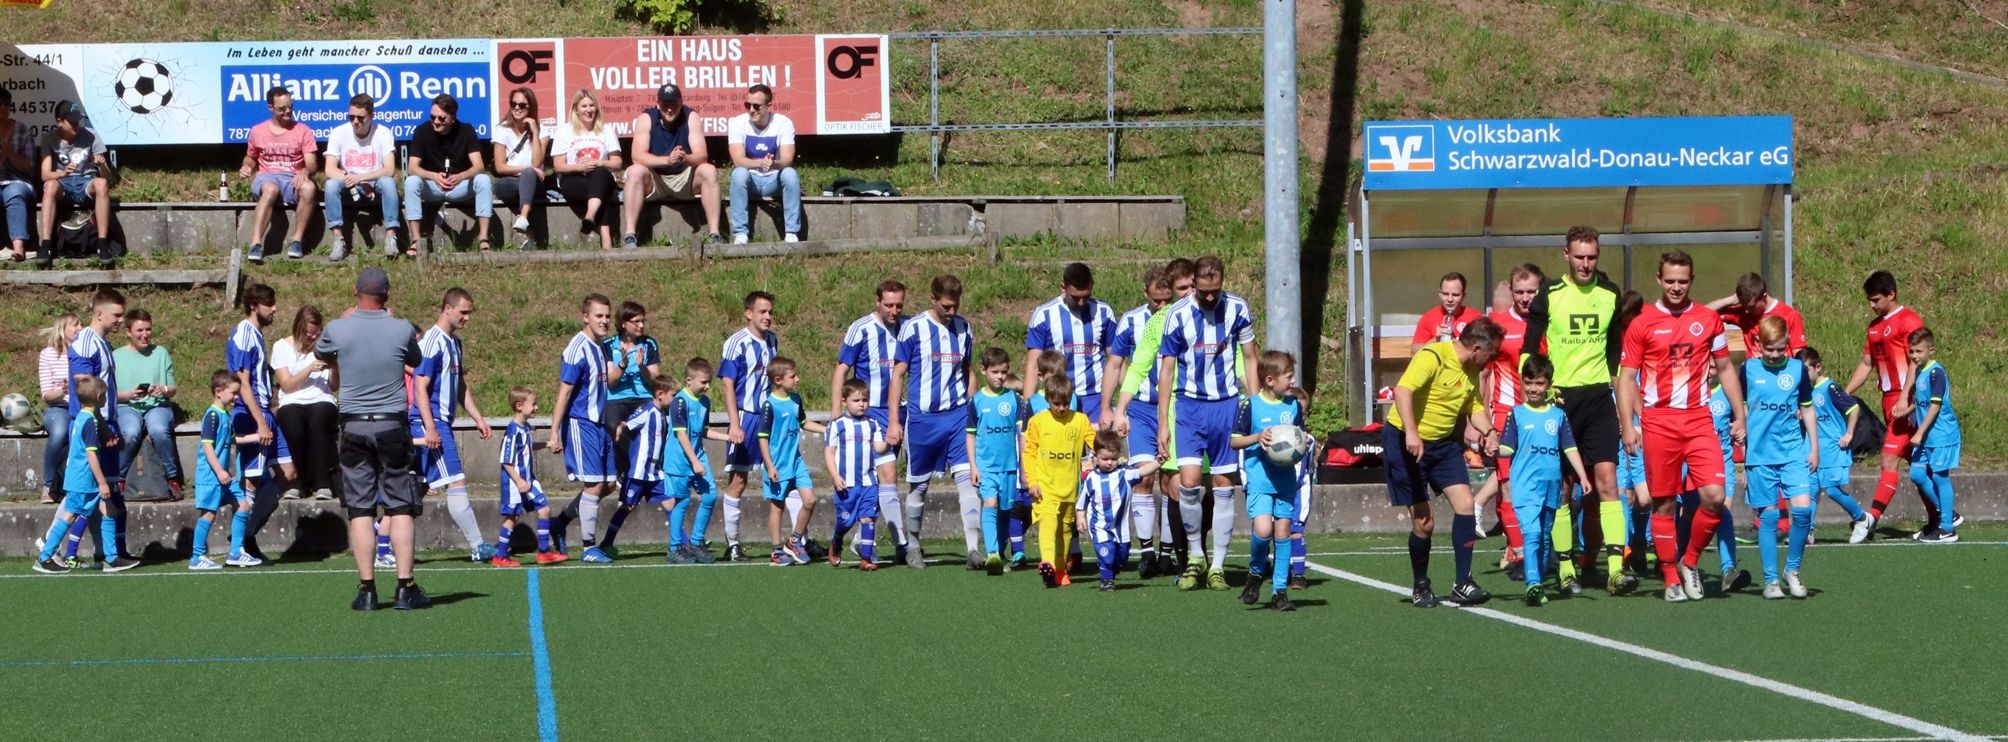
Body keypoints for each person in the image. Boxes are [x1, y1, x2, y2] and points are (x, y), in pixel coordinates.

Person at [1618, 251, 1746, 603]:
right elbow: (1626, 378)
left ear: (1692, 280)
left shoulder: (1708, 319)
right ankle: (1671, 577)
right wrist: (1629, 426)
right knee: (1662, 506)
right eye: (1670, 281)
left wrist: (1740, 415)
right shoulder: (1641, 323)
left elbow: (1725, 369)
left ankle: (1689, 562)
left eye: (1683, 281)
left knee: (1714, 497)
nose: (1677, 287)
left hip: (1699, 419)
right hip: (1658, 422)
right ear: (1659, 280)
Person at [1522, 225, 1633, 595]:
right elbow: (1529, 348)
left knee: (1607, 482)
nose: (1586, 263)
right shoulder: (1549, 294)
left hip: (1600, 398)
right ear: (1565, 255)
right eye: (1580, 256)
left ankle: (1616, 569)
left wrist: (1623, 405)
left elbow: (1616, 354)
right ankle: (1566, 567)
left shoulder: (1609, 294)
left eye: (1592, 256)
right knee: (1564, 488)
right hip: (1562, 400)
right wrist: (1539, 393)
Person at [314, 266, 427, 611]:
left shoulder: (338, 328)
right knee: (400, 506)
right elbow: (416, 359)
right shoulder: (402, 328)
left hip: (353, 425)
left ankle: (366, 590)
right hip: (392, 424)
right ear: (387, 295)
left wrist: (345, 319)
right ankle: (405, 588)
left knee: (360, 508)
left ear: (355, 291)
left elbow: (321, 351)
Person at [1155, 255, 1259, 592]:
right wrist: (1163, 424)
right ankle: (1195, 557)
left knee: (1225, 485)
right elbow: (1167, 371)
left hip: (1226, 407)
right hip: (1189, 408)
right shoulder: (1178, 315)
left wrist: (1256, 408)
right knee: (1188, 484)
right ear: (1194, 284)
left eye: (1215, 291)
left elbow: (1251, 358)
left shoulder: (1238, 309)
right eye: (1204, 291)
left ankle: (1217, 566)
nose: (1210, 297)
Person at [1383, 318, 1501, 607]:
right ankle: (1420, 586)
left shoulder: (1472, 369)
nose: (1494, 359)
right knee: (1425, 523)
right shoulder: (1433, 356)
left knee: (1465, 507)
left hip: (1444, 445)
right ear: (1476, 348)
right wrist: (1412, 431)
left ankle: (1463, 583)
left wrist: (1490, 430)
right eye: (1492, 353)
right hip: (1405, 442)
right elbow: (1403, 391)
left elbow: (1473, 406)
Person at [890, 275, 978, 570]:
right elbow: (898, 375)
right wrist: (894, 420)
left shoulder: (965, 328)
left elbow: (968, 370)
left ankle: (973, 550)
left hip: (956, 417)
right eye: (946, 306)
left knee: (968, 483)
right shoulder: (913, 329)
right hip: (923, 419)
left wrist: (972, 406)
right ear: (933, 299)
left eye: (955, 306)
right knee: (919, 487)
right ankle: (913, 544)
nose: (951, 312)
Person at [1844, 271, 1934, 536]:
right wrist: (1846, 392)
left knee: (1889, 458)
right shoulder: (1874, 327)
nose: (1872, 305)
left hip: (1906, 399)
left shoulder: (1909, 320)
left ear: (1892, 294)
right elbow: (1867, 363)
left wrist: (1907, 395)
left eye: (1876, 299)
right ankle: (1942, 515)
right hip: (1889, 400)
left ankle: (1870, 520)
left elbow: (1916, 360)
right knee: (1917, 464)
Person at [1497, 354, 1591, 606]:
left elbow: (1569, 448)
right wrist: (1492, 445)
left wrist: (1582, 475)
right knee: (1532, 533)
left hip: (1552, 485)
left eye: (1539, 383)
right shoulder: (1516, 414)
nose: (1533, 389)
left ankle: (1537, 577)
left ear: (1548, 384)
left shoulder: (1558, 416)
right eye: (1528, 383)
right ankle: (1533, 584)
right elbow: (1506, 446)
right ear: (1521, 383)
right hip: (1526, 485)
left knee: (1545, 534)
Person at [1738, 315, 1819, 599]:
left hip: (1793, 452)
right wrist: (1743, 453)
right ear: (1758, 343)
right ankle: (1771, 580)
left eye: (1780, 349)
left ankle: (1792, 570)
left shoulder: (1797, 369)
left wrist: (1814, 447)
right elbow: (1741, 410)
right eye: (1769, 349)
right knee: (1769, 518)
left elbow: (1807, 409)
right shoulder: (1747, 369)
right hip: (1760, 456)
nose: (1774, 355)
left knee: (1803, 511)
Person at [413, 287, 496, 562]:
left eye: (469, 313)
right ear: (447, 308)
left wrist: (478, 418)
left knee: (419, 487)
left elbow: (460, 385)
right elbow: (420, 387)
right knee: (456, 480)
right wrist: (431, 427)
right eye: (463, 312)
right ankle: (478, 545)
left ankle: (384, 541)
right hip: (431, 421)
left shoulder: (454, 343)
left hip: (440, 420)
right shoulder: (431, 342)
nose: (467, 318)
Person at [1104, 266, 1175, 577]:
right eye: (1156, 300)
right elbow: (1116, 362)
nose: (1162, 306)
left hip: (1173, 407)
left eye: (1166, 299)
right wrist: (1110, 407)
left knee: (1172, 483)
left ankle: (1168, 552)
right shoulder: (1131, 321)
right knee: (1142, 478)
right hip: (1142, 410)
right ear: (1146, 293)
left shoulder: (1182, 316)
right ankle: (1146, 550)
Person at [1475, 264, 1544, 577]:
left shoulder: (1550, 322)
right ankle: (1518, 554)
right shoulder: (1498, 326)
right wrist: (1481, 421)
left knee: (1547, 486)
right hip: (1507, 414)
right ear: (1511, 293)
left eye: (1531, 291)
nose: (1526, 297)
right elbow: (1484, 372)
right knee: (1507, 486)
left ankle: (1546, 551)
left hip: (1544, 415)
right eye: (1520, 292)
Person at [832, 279, 908, 559]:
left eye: (899, 304)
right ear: (877, 301)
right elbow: (841, 369)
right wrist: (836, 414)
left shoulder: (908, 327)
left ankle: (864, 540)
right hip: (870, 412)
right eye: (889, 304)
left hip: (896, 411)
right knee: (885, 474)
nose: (894, 310)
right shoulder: (861, 328)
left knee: (885, 479)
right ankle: (899, 542)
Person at [1231, 351, 1304, 610]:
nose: (1293, 380)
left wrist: (1300, 448)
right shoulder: (1251, 406)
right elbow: (1234, 440)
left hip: (1285, 480)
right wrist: (1258, 437)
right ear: (1270, 380)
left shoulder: (1293, 406)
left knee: (1283, 532)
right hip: (1260, 479)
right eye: (1289, 376)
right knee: (1263, 531)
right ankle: (1255, 572)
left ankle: (1279, 591)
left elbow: (1300, 438)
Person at [547, 294, 616, 558]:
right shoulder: (577, 348)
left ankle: (560, 523)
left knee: (609, 483)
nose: (605, 321)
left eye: (607, 316)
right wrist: (554, 431)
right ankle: (589, 547)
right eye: (599, 316)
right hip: (581, 422)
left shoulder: (601, 346)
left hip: (600, 423)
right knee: (593, 485)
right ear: (585, 317)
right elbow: (564, 392)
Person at [69, 288, 133, 568]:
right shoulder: (86, 342)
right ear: (99, 314)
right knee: (86, 494)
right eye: (116, 315)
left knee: (104, 491)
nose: (120, 320)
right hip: (94, 425)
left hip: (105, 422)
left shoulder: (102, 342)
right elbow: (83, 385)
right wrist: (101, 426)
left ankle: (107, 554)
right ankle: (54, 550)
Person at [229, 284, 295, 554]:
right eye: (269, 303)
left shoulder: (255, 334)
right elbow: (242, 383)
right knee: (252, 479)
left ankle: (248, 533)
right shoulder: (244, 334)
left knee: (287, 472)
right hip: (251, 414)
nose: (275, 308)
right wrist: (260, 422)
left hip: (264, 412)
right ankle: (240, 544)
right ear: (254, 305)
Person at [31, 376, 118, 574]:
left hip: (80, 477)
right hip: (84, 479)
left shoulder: (82, 417)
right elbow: (90, 453)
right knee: (69, 516)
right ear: (98, 397)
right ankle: (45, 557)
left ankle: (112, 558)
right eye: (104, 396)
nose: (105, 399)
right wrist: (102, 482)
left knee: (108, 509)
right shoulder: (89, 422)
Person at [622, 84, 723, 249]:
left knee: (709, 170)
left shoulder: (691, 116)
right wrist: (667, 161)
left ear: (681, 102)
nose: (669, 109)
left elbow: (702, 155)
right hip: (655, 179)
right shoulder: (646, 118)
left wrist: (685, 158)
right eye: (665, 104)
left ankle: (714, 234)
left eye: (674, 104)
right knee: (634, 172)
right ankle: (630, 235)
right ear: (658, 104)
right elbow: (637, 156)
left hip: (684, 179)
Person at [718, 291, 778, 562]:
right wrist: (734, 422)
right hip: (745, 417)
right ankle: (732, 544)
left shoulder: (772, 341)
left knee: (784, 476)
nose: (767, 317)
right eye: (762, 312)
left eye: (770, 312)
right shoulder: (737, 343)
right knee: (739, 481)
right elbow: (728, 383)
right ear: (748, 313)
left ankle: (798, 539)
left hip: (768, 418)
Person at [592, 374, 678, 562]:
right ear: (660, 394)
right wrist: (620, 430)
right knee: (627, 507)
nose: (675, 399)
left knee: (671, 503)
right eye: (673, 395)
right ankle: (606, 543)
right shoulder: (646, 411)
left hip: (655, 473)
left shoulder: (664, 415)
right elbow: (628, 424)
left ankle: (683, 544)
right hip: (638, 473)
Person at [1796, 347, 1875, 544]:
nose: (1803, 377)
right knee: (1810, 489)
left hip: (1833, 448)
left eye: (1806, 372)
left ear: (1818, 367)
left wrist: (1848, 433)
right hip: (1813, 447)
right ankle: (1808, 531)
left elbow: (1853, 408)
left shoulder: (1830, 388)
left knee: (1832, 489)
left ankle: (1862, 518)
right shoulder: (1805, 391)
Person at [403, 93, 494, 255]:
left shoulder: (466, 130)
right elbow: (412, 167)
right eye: (433, 117)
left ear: (453, 118)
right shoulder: (422, 131)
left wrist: (461, 176)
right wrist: (433, 176)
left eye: (442, 118)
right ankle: (416, 240)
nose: (436, 122)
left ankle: (483, 238)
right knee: (411, 182)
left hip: (459, 186)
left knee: (483, 180)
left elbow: (479, 166)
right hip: (433, 186)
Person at [1027, 262, 1116, 428]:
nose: (1082, 302)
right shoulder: (1044, 315)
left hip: (1096, 398)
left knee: (1100, 453)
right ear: (1063, 287)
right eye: (1076, 297)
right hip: (1060, 400)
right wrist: (1026, 409)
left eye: (1086, 296)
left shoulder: (1104, 312)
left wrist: (1119, 403)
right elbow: (1033, 365)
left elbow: (1116, 360)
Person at [1025, 372, 1092, 588]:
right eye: (1056, 404)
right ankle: (1047, 562)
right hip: (1045, 485)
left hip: (1070, 486)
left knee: (1064, 530)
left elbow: (1095, 442)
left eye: (1065, 403)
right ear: (1048, 400)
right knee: (1048, 522)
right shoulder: (1038, 421)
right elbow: (1029, 453)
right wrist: (1032, 481)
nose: (1062, 408)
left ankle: (1061, 571)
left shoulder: (1080, 420)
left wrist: (1108, 446)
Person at [238, 87, 319, 263]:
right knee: (270, 189)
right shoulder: (258, 130)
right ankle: (256, 243)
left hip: (292, 178)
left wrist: (304, 171)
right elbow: (251, 157)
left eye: (290, 107)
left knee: (309, 188)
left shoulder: (303, 130)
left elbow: (312, 163)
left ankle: (297, 241)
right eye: (282, 109)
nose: (288, 111)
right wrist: (246, 166)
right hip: (267, 177)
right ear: (271, 108)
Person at [189, 371, 261, 570]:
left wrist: (255, 437)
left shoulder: (225, 415)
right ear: (219, 392)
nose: (236, 398)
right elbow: (207, 446)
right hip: (212, 476)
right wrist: (220, 470)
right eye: (233, 393)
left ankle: (236, 552)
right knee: (209, 514)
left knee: (243, 505)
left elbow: (231, 439)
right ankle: (196, 557)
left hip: (224, 477)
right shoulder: (212, 415)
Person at [757, 357, 825, 565]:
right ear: (778, 379)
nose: (798, 379)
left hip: (796, 462)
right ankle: (777, 550)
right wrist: (769, 465)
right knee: (777, 506)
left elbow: (804, 422)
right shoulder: (769, 405)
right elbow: (762, 438)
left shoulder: (795, 399)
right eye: (793, 376)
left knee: (810, 500)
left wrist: (828, 430)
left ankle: (794, 541)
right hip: (777, 464)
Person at [492, 386, 566, 567]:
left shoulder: (525, 427)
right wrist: (518, 481)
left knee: (544, 509)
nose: (537, 407)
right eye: (533, 404)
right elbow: (506, 461)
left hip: (529, 480)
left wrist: (547, 444)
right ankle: (500, 556)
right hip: (514, 482)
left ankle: (543, 552)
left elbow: (527, 447)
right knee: (512, 518)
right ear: (519, 406)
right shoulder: (512, 430)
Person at [967, 347, 1025, 574]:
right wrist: (973, 465)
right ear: (983, 371)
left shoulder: (1014, 400)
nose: (1000, 376)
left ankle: (999, 552)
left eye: (1003, 372)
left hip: (1009, 466)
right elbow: (970, 434)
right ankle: (991, 552)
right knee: (990, 503)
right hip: (986, 466)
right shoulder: (977, 401)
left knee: (1004, 510)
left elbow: (1022, 435)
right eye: (995, 372)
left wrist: (1024, 466)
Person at [112, 308, 180, 500]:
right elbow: (111, 393)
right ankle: (120, 478)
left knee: (158, 429)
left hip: (156, 404)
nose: (145, 335)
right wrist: (129, 394)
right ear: (128, 332)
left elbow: (172, 387)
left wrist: (163, 390)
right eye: (139, 331)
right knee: (130, 432)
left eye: (148, 329)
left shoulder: (161, 353)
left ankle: (171, 477)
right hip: (127, 405)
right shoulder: (117, 356)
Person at [272, 306, 339, 500]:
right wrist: (309, 369)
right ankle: (297, 482)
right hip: (292, 399)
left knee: (319, 422)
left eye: (317, 333)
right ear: (299, 329)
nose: (313, 338)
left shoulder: (325, 347)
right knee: (293, 426)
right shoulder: (282, 347)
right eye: (309, 334)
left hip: (321, 398)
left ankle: (323, 482)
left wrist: (334, 368)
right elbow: (286, 385)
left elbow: (334, 386)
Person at [322, 94, 399, 262]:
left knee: (388, 183)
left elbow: (389, 169)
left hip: (374, 182)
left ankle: (391, 237)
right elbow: (329, 169)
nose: (355, 121)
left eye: (360, 118)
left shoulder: (383, 132)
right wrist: (354, 179)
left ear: (372, 116)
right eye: (351, 117)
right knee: (330, 185)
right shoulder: (338, 132)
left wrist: (362, 178)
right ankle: (338, 238)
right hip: (350, 183)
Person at [36, 101, 112, 267]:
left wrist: (101, 165)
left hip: (86, 182)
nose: (77, 125)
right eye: (72, 122)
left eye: (78, 121)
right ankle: (46, 245)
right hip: (62, 183)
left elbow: (108, 177)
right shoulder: (49, 139)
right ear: (59, 121)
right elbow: (45, 174)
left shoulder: (91, 135)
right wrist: (63, 173)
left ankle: (102, 243)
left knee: (101, 184)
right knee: (49, 186)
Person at [666, 358, 727, 563]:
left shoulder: (704, 402)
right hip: (680, 460)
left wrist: (727, 437)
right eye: (703, 382)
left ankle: (696, 542)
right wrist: (694, 462)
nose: (707, 386)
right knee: (681, 501)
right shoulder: (679, 402)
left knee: (710, 496)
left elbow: (703, 430)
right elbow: (682, 435)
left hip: (698, 457)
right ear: (689, 380)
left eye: (709, 382)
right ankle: (675, 548)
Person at [826, 379, 891, 570]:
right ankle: (837, 540)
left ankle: (866, 559)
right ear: (845, 400)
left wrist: (889, 440)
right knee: (845, 521)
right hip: (846, 483)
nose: (861, 404)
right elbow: (829, 453)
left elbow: (879, 448)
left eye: (864, 400)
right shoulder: (838, 425)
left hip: (869, 482)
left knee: (868, 518)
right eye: (856, 400)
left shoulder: (872, 424)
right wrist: (835, 476)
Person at [1903, 328, 1961, 544]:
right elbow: (1921, 402)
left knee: (1939, 476)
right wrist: (1907, 410)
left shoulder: (1937, 373)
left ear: (1931, 350)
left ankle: (1947, 529)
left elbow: (1935, 407)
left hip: (1941, 435)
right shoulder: (1919, 372)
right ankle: (1949, 514)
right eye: (1911, 351)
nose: (1915, 356)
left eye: (1919, 351)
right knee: (1917, 475)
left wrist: (1919, 431)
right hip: (1926, 435)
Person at [726, 84, 801, 243]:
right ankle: (740, 234)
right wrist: (761, 163)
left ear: (769, 106)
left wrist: (773, 164)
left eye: (757, 106)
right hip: (751, 180)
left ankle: (791, 233)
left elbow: (788, 159)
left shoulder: (783, 123)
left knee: (790, 174)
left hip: (774, 179)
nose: (751, 110)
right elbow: (738, 160)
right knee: (738, 174)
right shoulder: (737, 123)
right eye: (748, 105)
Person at [550, 89, 624, 251]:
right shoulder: (565, 131)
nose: (588, 110)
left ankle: (590, 216)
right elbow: (558, 166)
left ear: (596, 108)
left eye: (592, 106)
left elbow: (617, 163)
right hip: (573, 178)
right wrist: (580, 167)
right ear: (576, 109)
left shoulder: (606, 130)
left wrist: (598, 162)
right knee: (599, 194)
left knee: (599, 175)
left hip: (601, 178)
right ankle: (606, 239)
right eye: (584, 106)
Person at [604, 301, 662, 478]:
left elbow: (655, 381)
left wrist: (641, 366)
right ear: (623, 323)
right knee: (613, 426)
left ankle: (647, 468)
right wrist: (622, 365)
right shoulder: (608, 345)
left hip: (643, 396)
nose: (641, 325)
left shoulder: (649, 344)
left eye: (642, 321)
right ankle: (624, 469)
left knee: (652, 424)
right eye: (636, 322)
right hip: (616, 397)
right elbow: (610, 382)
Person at [1077, 431, 1135, 594]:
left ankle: (1110, 571)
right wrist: (1080, 517)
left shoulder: (1124, 474)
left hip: (1120, 527)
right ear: (1096, 456)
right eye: (1105, 459)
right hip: (1100, 525)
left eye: (1113, 459)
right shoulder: (1091, 478)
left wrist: (1158, 462)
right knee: (1106, 553)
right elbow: (1082, 501)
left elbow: (1143, 472)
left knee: (1122, 556)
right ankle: (1106, 579)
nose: (1109, 463)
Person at [492, 87, 547, 249]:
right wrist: (525, 169)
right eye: (513, 104)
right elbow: (500, 167)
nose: (517, 108)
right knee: (528, 173)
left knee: (529, 174)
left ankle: (523, 220)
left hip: (533, 182)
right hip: (508, 182)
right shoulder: (502, 129)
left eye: (522, 105)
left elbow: (537, 163)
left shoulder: (542, 131)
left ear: (531, 108)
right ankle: (524, 223)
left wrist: (535, 133)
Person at [1706, 272, 1806, 357]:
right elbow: (1704, 312)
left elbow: (1799, 355)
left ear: (1764, 296)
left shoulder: (1790, 315)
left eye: (1752, 306)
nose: (1747, 310)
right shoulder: (1744, 312)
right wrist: (1730, 300)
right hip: (1754, 374)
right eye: (1743, 305)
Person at [36, 314, 80, 503]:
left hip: (81, 405)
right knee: (60, 431)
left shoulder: (83, 352)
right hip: (58, 406)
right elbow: (46, 395)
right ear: (63, 329)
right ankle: (48, 485)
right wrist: (62, 390)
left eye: (81, 325)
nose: (80, 328)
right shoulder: (48, 354)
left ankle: (73, 487)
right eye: (75, 325)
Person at [0, 88, 37, 262]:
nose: (3, 108)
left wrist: (9, 153)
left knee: (13, 192)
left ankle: (18, 248)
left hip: (19, 181)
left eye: (7, 104)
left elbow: (29, 167)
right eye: (0, 104)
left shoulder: (22, 130)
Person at [1412, 271, 1482, 345]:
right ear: (1440, 294)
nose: (1450, 299)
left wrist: (1456, 342)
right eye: (1445, 294)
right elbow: (1414, 350)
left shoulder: (1475, 317)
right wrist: (1435, 340)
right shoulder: (1428, 318)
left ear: (1463, 296)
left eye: (1455, 295)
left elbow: (1484, 348)